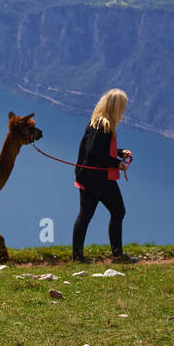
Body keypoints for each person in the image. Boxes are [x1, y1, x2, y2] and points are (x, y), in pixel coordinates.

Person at [71, 88, 134, 264]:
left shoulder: (96, 121)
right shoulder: (105, 126)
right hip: (100, 179)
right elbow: (94, 153)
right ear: (117, 107)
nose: (124, 110)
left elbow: (97, 149)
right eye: (123, 106)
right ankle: (117, 255)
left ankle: (77, 257)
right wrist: (117, 163)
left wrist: (119, 152)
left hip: (86, 177)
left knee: (84, 216)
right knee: (118, 211)